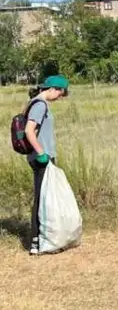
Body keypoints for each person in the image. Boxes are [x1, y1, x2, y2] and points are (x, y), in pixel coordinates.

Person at [24, 75, 69, 256]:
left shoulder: (36, 103)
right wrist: (41, 153)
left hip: (41, 157)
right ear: (52, 89)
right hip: (41, 159)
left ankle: (47, 237)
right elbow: (29, 130)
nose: (60, 97)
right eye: (60, 93)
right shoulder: (40, 105)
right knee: (42, 199)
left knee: (46, 198)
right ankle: (37, 241)